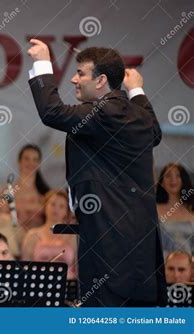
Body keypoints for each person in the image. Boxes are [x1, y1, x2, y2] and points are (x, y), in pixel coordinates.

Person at [27, 40, 166, 306]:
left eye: (80, 73)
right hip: (134, 240)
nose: (73, 79)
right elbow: (155, 134)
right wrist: (136, 89)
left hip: (110, 240)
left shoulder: (105, 112)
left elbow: (52, 112)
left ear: (101, 80)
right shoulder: (133, 113)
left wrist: (43, 62)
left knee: (104, 314)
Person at [21, 190, 78, 279]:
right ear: (45, 207)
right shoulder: (32, 235)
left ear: (66, 211)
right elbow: (25, 266)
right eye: (52, 204)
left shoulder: (74, 237)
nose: (56, 209)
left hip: (67, 284)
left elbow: (80, 267)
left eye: (61, 206)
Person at [156, 163, 193, 257]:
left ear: (183, 180)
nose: (173, 179)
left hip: (189, 267)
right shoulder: (154, 210)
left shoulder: (192, 209)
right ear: (162, 183)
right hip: (161, 266)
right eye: (168, 176)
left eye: (177, 175)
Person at [14, 144, 50, 230]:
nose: (31, 163)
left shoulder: (46, 194)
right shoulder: (8, 192)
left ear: (39, 165)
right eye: (27, 159)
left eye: (35, 160)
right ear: (19, 162)